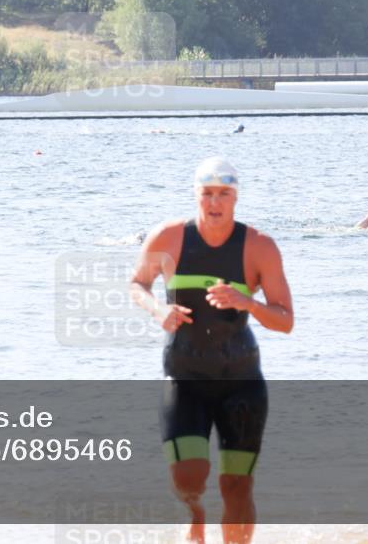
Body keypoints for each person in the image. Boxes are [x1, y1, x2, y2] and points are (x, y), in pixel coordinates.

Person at [130, 156, 294, 544]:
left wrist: (248, 302)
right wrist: (158, 309)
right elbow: (137, 284)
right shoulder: (168, 238)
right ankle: (195, 514)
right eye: (207, 194)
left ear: (236, 198)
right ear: (196, 196)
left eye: (224, 194)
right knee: (188, 479)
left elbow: (285, 320)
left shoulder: (259, 247)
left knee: (237, 487)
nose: (215, 203)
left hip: (242, 383)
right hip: (184, 379)